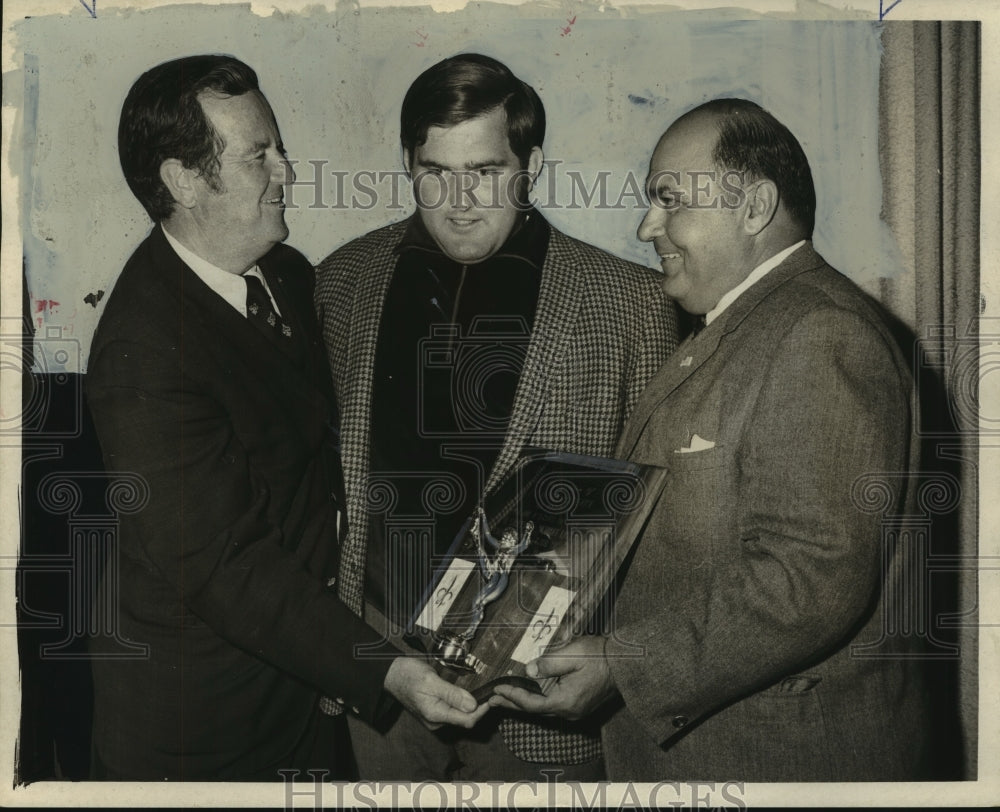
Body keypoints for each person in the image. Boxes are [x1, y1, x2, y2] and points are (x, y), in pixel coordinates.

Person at [491, 98, 931, 781]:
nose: (647, 226)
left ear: (754, 208)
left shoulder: (819, 333)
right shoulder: (744, 324)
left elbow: (808, 579)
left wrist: (626, 664)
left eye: (670, 201)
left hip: (781, 759)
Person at [85, 54, 486, 782]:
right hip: (207, 723)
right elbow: (223, 566)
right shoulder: (141, 352)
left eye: (281, 149)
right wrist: (384, 669)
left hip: (306, 694)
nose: (289, 173)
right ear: (183, 180)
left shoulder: (288, 276)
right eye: (258, 156)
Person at [314, 53, 677, 780]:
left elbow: (662, 521)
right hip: (379, 682)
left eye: (484, 171)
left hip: (541, 704)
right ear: (407, 164)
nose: (458, 200)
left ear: (530, 165)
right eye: (434, 172)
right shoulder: (339, 283)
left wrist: (618, 663)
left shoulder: (635, 304)